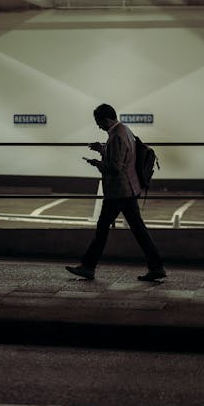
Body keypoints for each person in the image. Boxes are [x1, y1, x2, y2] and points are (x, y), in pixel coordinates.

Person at [66, 103, 166, 282]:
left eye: (99, 122)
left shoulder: (116, 136)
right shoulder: (124, 130)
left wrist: (97, 164)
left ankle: (88, 267)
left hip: (119, 191)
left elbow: (115, 167)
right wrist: (102, 149)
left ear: (107, 119)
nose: (99, 126)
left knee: (103, 228)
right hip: (128, 189)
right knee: (137, 229)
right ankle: (156, 266)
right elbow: (120, 155)